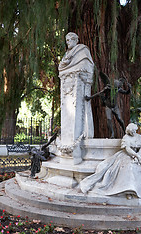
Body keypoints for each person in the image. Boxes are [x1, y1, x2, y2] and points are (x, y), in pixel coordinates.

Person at [80, 123, 141, 199]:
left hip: (138, 155)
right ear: (128, 131)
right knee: (128, 167)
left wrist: (139, 156)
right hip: (127, 154)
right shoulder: (126, 137)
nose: (133, 133)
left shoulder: (139, 137)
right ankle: (128, 191)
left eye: (134, 131)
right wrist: (135, 156)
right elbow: (127, 149)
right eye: (131, 131)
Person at [58, 32, 94, 164]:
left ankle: (77, 153)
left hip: (78, 84)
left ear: (75, 40)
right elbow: (61, 67)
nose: (67, 43)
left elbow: (87, 66)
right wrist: (67, 64)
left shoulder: (82, 50)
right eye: (66, 41)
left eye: (69, 40)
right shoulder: (67, 55)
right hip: (67, 83)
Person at [85, 71, 131, 137]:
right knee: (109, 119)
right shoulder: (107, 89)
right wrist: (90, 97)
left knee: (120, 119)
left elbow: (126, 93)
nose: (117, 89)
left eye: (118, 88)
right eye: (116, 88)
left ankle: (125, 132)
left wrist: (129, 88)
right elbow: (99, 93)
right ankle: (112, 134)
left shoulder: (118, 89)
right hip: (108, 106)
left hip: (115, 106)